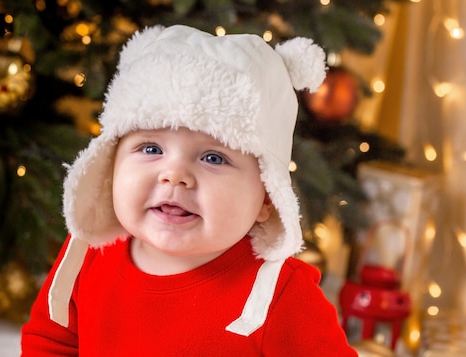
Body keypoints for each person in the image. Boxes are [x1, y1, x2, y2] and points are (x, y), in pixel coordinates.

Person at [21, 24, 357, 356]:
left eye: (213, 157)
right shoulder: (91, 252)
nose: (175, 175)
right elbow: (50, 343)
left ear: (267, 196)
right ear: (111, 163)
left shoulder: (281, 295)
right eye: (151, 148)